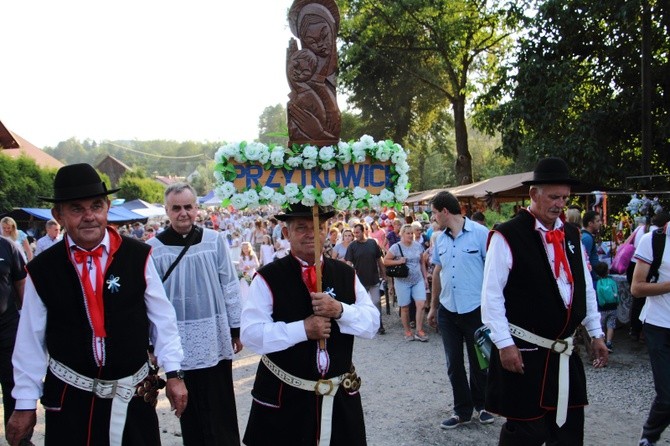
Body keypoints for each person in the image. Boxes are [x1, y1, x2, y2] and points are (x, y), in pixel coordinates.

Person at [6, 163, 187, 446]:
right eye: (77, 209)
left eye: (96, 206)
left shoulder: (138, 256)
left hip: (132, 395)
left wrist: (174, 373)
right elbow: (30, 339)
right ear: (58, 215)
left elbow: (163, 320)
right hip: (70, 400)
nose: (89, 216)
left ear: (107, 207)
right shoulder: (42, 269)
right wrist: (25, 402)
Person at [481, 157, 608, 445]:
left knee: (568, 432)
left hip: (564, 352)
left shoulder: (572, 235)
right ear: (534, 194)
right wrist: (503, 343)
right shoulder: (508, 235)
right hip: (525, 351)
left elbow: (583, 287)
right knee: (526, 432)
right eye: (553, 196)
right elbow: (491, 296)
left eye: (564, 197)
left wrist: (596, 332)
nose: (560, 203)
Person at [240, 203, 379, 445]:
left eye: (318, 226)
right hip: (285, 399)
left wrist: (340, 310)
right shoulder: (267, 277)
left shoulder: (346, 274)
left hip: (338, 396)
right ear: (286, 234)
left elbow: (371, 325)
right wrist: (302, 329)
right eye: (301, 227)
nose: (311, 233)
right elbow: (251, 335)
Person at [147, 182, 242, 445]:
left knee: (220, 401)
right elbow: (149, 300)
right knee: (189, 405)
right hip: (179, 339)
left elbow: (230, 286)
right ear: (166, 210)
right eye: (176, 208)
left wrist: (236, 329)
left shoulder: (214, 241)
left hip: (214, 334)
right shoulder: (154, 249)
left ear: (196, 208)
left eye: (188, 206)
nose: (183, 213)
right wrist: (152, 342)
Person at [425, 191, 492, 429]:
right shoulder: (439, 239)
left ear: (445, 211)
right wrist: (433, 307)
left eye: (434, 213)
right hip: (448, 310)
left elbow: (493, 272)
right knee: (454, 362)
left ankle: (483, 406)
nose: (433, 218)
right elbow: (437, 273)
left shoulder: (480, 234)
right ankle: (461, 410)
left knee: (480, 361)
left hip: (475, 309)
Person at [631, 220, 670, 446]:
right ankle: (649, 437)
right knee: (666, 397)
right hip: (659, 325)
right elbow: (637, 288)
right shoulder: (654, 240)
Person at [0, 237, 28, 444]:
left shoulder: (7, 246)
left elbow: (21, 284)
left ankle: (19, 440)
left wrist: (28, 325)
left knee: (14, 388)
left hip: (7, 330)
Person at [384, 224, 429, 341]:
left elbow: (422, 263)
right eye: (407, 233)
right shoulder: (395, 247)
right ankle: (408, 331)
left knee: (421, 304)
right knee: (404, 307)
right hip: (402, 281)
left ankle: (419, 330)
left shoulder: (418, 246)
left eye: (411, 233)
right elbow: (386, 261)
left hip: (417, 279)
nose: (410, 235)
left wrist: (425, 278)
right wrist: (398, 261)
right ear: (402, 234)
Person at [346, 223, 387, 334]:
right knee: (360, 304)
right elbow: (348, 263)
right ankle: (362, 325)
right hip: (359, 281)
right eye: (354, 233)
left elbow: (380, 260)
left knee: (377, 302)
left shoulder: (373, 243)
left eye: (357, 232)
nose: (355, 235)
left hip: (374, 279)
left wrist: (384, 274)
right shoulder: (352, 246)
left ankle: (379, 324)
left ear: (364, 231)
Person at [594, 262, 618, 352]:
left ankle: (602, 342)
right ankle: (609, 343)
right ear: (607, 271)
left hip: (601, 308)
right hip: (613, 307)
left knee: (601, 325)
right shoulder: (612, 281)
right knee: (610, 325)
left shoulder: (596, 283)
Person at [581, 210, 603, 284]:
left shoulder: (587, 236)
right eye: (597, 221)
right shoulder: (587, 238)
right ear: (590, 223)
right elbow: (585, 259)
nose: (600, 223)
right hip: (591, 278)